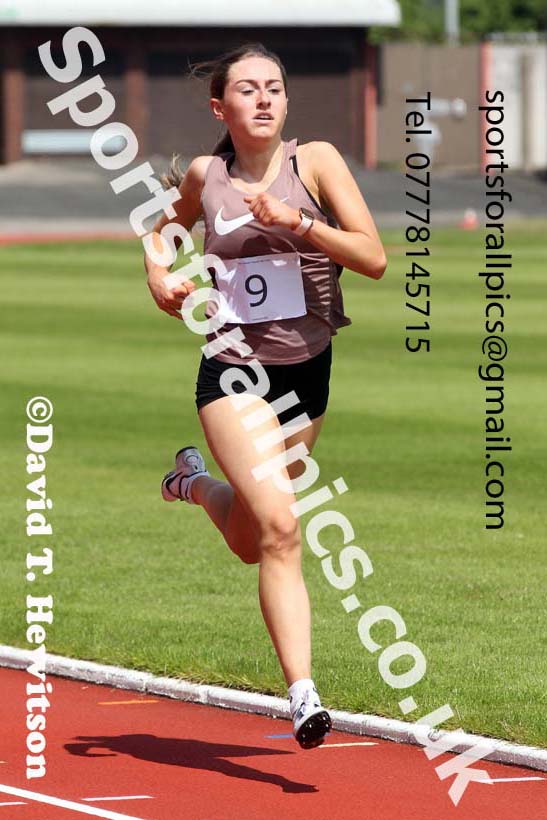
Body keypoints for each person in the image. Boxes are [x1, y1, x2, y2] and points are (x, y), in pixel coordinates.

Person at [144, 42, 386, 750]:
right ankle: (303, 693)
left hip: (306, 374)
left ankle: (191, 485)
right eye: (246, 90)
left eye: (273, 88)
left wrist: (297, 223)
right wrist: (159, 278)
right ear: (219, 107)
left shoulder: (316, 163)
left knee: (253, 539)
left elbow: (371, 258)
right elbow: (162, 233)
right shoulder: (204, 175)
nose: (263, 99)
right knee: (283, 526)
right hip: (232, 374)